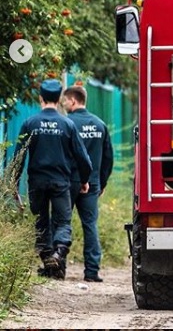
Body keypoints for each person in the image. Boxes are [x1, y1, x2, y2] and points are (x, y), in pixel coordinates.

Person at [14, 79, 92, 280]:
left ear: (40, 98)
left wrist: (13, 184)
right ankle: (58, 253)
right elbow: (83, 158)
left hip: (37, 182)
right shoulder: (68, 124)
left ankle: (49, 261)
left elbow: (18, 157)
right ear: (58, 99)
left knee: (41, 222)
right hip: (61, 182)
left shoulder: (29, 123)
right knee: (63, 221)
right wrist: (84, 179)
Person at [62, 85, 114, 283]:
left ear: (73, 101)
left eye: (65, 101)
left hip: (67, 182)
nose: (64, 104)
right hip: (91, 184)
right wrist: (101, 182)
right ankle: (92, 271)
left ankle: (59, 266)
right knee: (90, 225)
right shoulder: (99, 125)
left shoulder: (66, 123)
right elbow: (108, 158)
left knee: (62, 223)